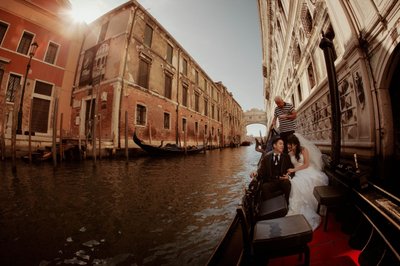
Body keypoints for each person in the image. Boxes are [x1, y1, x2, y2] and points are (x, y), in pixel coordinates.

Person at [285, 133, 329, 230]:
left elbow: (306, 164)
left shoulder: (303, 150)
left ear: (295, 143)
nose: (288, 146)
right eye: (288, 144)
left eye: (290, 144)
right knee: (296, 184)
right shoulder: (290, 153)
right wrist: (289, 172)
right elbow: (290, 166)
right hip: (298, 173)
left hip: (307, 170)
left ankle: (313, 206)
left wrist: (294, 170)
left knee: (308, 181)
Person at [251, 136, 294, 204]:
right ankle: (271, 205)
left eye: (283, 144)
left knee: (287, 183)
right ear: (274, 145)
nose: (282, 146)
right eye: (280, 144)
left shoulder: (286, 157)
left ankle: (286, 203)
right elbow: (261, 171)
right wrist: (255, 173)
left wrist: (288, 176)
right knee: (264, 187)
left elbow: (292, 170)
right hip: (271, 181)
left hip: (282, 181)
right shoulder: (266, 157)